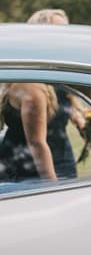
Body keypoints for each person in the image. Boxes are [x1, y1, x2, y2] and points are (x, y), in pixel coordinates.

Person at [0, 9, 77, 183]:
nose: (66, 38)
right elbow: (36, 143)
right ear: (39, 35)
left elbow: (59, 107)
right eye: (58, 32)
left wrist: (78, 117)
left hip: (60, 158)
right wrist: (53, 186)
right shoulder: (31, 85)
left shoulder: (53, 72)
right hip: (31, 172)